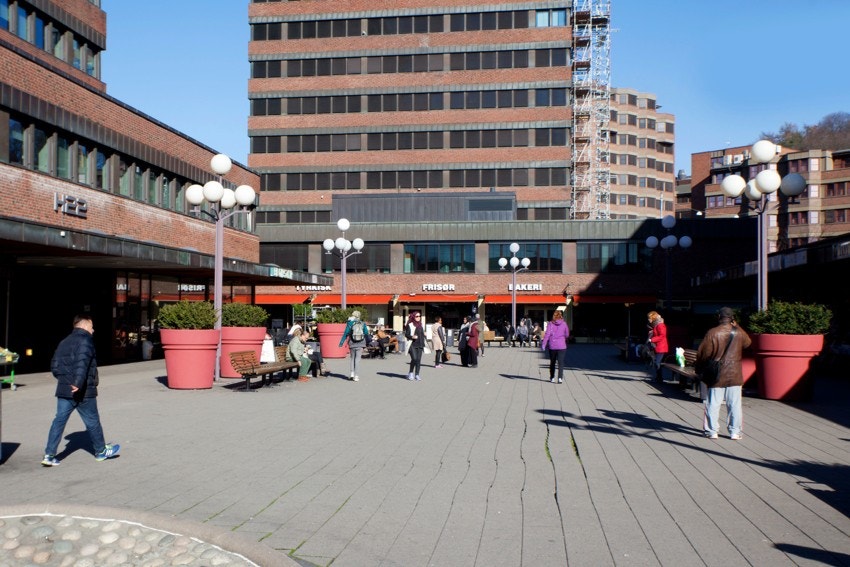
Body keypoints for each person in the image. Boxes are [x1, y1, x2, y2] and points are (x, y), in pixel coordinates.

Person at [42, 314, 120, 467]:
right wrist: (77, 383)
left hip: (64, 389)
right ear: (84, 326)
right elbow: (81, 363)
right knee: (92, 421)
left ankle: (49, 455)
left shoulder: (64, 341)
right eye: (92, 326)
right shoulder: (86, 341)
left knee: (59, 421)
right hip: (83, 390)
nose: (93, 330)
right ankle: (100, 451)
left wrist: (65, 380)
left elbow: (54, 366)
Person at [695, 307, 752, 440]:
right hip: (735, 373)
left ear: (719, 317)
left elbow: (703, 354)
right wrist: (737, 325)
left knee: (713, 403)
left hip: (717, 374)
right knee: (734, 404)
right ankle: (735, 432)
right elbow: (748, 343)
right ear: (732, 318)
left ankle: (712, 431)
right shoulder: (738, 333)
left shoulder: (713, 333)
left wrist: (699, 369)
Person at [541, 310, 569, 383]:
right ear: (561, 316)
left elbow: (547, 334)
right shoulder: (564, 324)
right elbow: (567, 334)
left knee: (552, 362)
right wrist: (563, 338)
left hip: (552, 346)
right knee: (561, 363)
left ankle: (552, 377)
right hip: (562, 346)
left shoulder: (550, 324)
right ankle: (560, 378)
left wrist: (544, 344)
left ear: (554, 316)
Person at [339, 310, 367, 381]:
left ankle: (352, 374)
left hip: (352, 343)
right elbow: (366, 333)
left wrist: (341, 343)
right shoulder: (363, 323)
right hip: (361, 343)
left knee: (352, 359)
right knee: (357, 360)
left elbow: (346, 333)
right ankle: (356, 376)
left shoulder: (350, 323)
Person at [647, 311, 669, 382]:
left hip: (661, 347)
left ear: (653, 318)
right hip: (657, 346)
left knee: (657, 362)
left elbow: (662, 336)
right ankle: (658, 377)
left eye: (649, 318)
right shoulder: (656, 325)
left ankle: (660, 378)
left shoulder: (660, 325)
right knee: (656, 362)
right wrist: (652, 332)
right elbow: (657, 333)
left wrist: (652, 339)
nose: (648, 319)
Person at [405, 311, 425, 380]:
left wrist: (424, 334)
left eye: (419, 316)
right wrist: (412, 337)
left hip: (420, 344)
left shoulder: (420, 325)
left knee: (418, 360)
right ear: (413, 317)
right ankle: (410, 373)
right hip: (412, 344)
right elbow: (406, 335)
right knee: (414, 358)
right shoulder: (410, 325)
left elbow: (421, 334)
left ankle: (417, 374)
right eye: (417, 316)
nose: (418, 317)